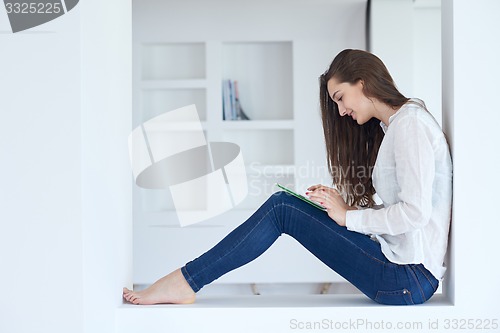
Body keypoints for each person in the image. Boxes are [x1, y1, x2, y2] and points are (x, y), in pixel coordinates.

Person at [123, 49, 452, 306]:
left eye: (340, 98)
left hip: (407, 278)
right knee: (285, 205)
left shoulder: (409, 125)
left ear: (362, 82)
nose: (340, 112)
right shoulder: (396, 127)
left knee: (283, 208)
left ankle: (184, 281)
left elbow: (415, 213)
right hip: (404, 271)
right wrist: (347, 211)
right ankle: (185, 280)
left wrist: (350, 218)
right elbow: (409, 211)